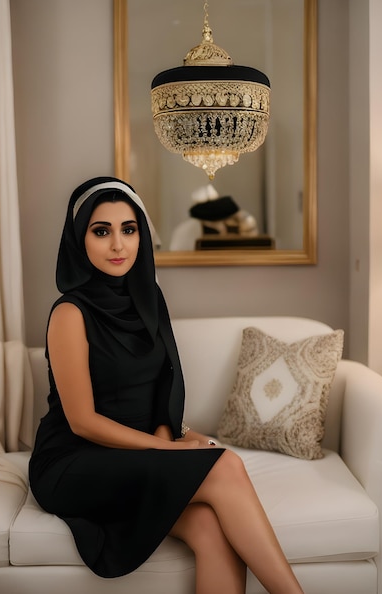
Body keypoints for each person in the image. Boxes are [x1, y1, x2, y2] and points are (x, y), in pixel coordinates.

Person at [29, 176, 305, 594]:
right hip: (74, 461)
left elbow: (161, 394)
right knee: (226, 464)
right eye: (101, 231)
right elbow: (83, 422)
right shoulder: (69, 312)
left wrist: (175, 438)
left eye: (129, 229)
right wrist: (168, 451)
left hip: (135, 454)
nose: (118, 244)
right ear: (78, 239)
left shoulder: (149, 298)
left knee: (211, 529)